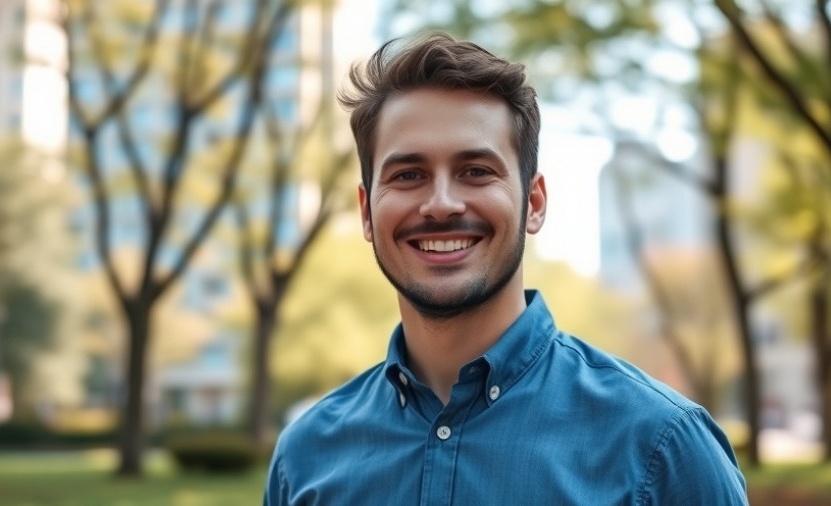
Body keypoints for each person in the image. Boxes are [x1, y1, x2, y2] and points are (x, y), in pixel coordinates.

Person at [264, 33, 747, 505]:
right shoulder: (304, 459)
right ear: (367, 212)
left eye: (476, 171)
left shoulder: (662, 447)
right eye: (408, 175)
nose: (441, 204)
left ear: (533, 203)